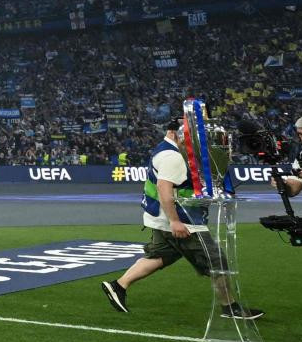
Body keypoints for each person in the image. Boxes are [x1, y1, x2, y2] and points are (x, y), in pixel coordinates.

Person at [102, 121, 262, 320]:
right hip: (182, 220)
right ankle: (230, 307)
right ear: (175, 134)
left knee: (160, 256)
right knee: (216, 261)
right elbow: (164, 188)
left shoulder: (165, 149)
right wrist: (175, 222)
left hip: (161, 217)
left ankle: (118, 286)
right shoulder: (173, 156)